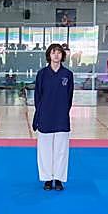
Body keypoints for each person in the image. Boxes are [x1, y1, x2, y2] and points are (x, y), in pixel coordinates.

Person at [32, 42, 75, 191]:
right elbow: (37, 96)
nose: (56, 55)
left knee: (61, 150)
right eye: (53, 52)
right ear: (49, 55)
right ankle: (47, 179)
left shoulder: (68, 75)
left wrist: (64, 111)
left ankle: (59, 178)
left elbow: (69, 97)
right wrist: (39, 114)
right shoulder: (42, 74)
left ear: (62, 56)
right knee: (45, 149)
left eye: (59, 52)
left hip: (62, 117)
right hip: (45, 116)